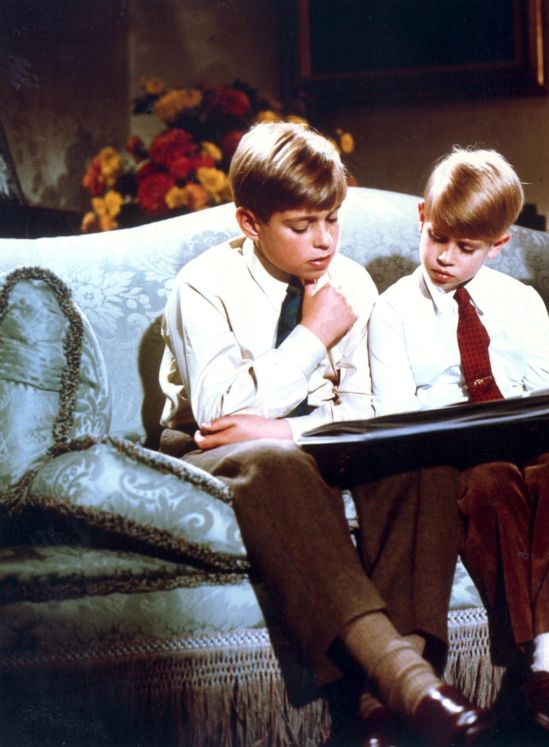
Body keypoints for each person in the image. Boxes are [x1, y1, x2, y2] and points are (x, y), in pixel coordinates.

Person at [158, 122, 494, 746]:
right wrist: (314, 333)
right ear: (250, 223)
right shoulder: (202, 286)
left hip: (307, 434)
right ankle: (412, 683)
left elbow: (366, 411)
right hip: (210, 449)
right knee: (270, 461)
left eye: (333, 220)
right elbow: (219, 417)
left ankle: (380, 702)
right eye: (301, 224)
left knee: (419, 457)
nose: (323, 241)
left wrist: (288, 426)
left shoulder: (354, 280)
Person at [368, 148, 549, 740]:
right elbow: (397, 414)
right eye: (438, 237)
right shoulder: (392, 310)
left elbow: (547, 392)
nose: (446, 257)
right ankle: (544, 676)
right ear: (422, 217)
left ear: (498, 245)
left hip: (527, 434)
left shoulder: (520, 302)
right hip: (457, 451)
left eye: (466, 248)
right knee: (493, 485)